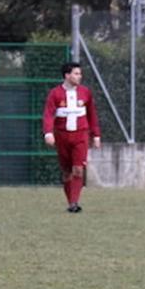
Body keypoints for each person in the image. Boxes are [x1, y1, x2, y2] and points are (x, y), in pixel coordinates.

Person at [43, 62, 101, 212]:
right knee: (67, 171)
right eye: (76, 74)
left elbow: (92, 114)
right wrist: (48, 133)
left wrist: (96, 135)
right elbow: (48, 114)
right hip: (62, 136)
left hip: (81, 136)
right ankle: (71, 202)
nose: (79, 76)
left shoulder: (85, 92)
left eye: (80, 74)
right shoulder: (55, 93)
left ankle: (74, 203)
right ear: (67, 75)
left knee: (78, 169)